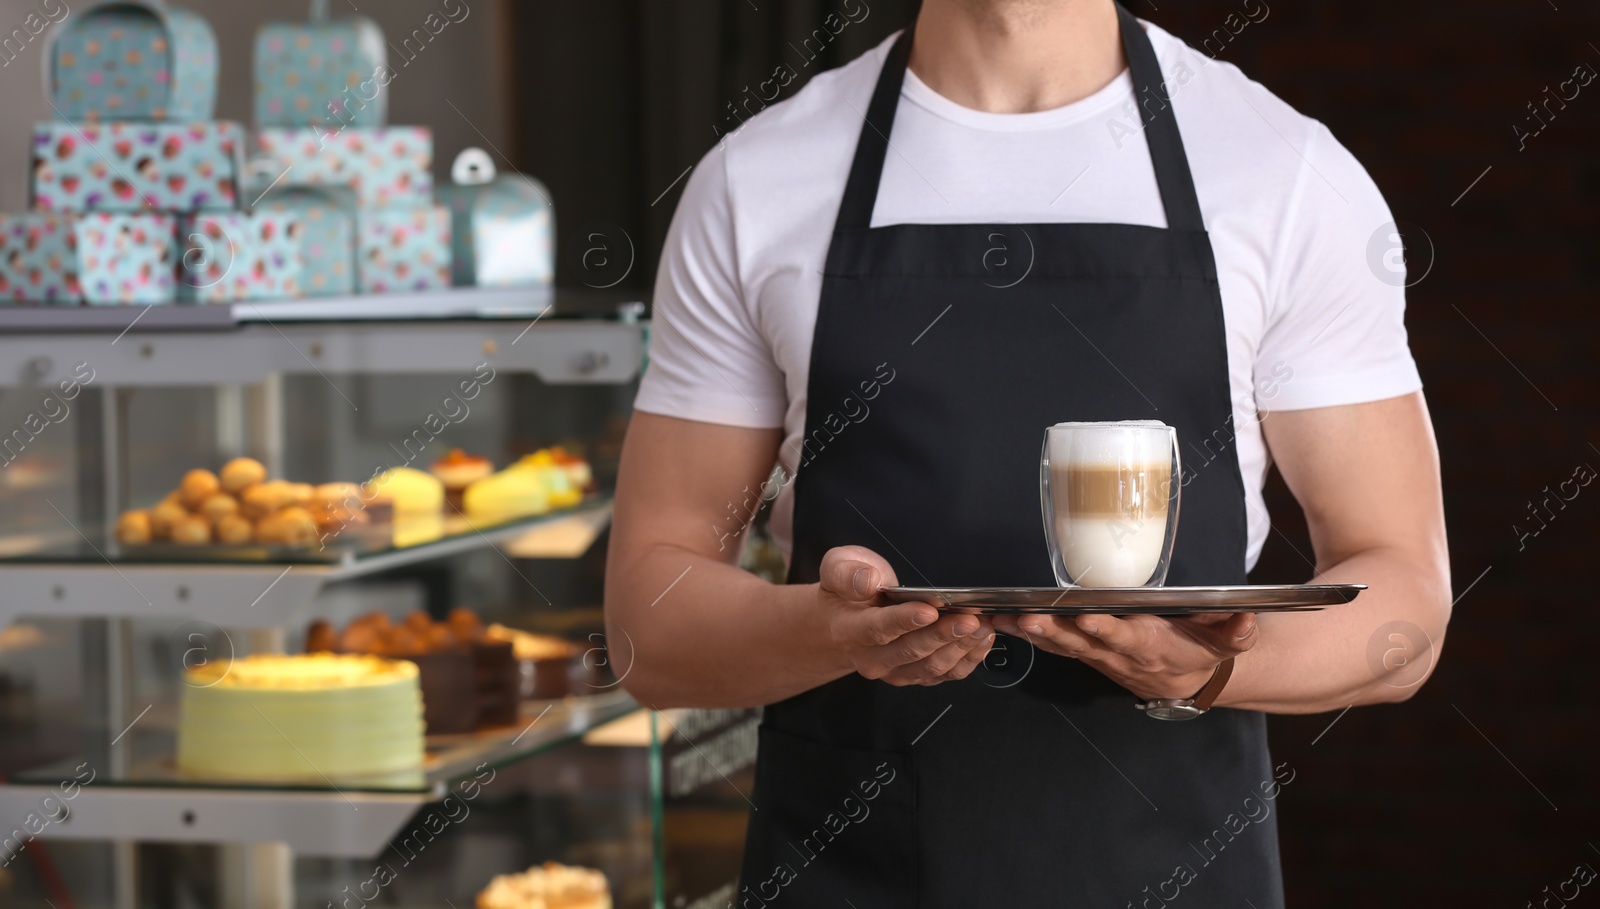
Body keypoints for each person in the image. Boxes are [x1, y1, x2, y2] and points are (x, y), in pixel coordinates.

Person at [605, 0, 1450, 905]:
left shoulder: (1283, 173)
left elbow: (1405, 602)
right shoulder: (757, 179)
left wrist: (1214, 668)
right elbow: (645, 624)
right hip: (852, 866)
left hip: (1176, 864)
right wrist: (824, 632)